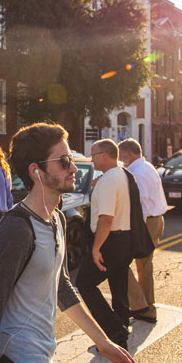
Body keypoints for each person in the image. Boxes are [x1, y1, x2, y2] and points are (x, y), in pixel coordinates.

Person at [0, 123, 135, 363]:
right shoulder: (17, 230)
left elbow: (62, 286)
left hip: (42, 357)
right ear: (36, 171)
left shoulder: (56, 219)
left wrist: (103, 341)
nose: (74, 169)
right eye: (65, 161)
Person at [76, 139, 135, 349]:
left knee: (84, 283)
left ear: (104, 155)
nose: (91, 159)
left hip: (110, 240)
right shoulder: (120, 175)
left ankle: (114, 331)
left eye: (93, 155)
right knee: (118, 285)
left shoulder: (109, 180)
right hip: (124, 239)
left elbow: (106, 218)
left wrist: (96, 248)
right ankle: (120, 332)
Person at [118, 138, 168, 323]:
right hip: (155, 220)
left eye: (122, 155)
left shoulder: (137, 173)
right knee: (144, 266)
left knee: (122, 263)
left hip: (146, 222)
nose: (121, 159)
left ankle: (142, 306)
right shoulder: (147, 167)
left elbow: (142, 204)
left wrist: (135, 231)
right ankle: (146, 307)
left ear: (129, 154)